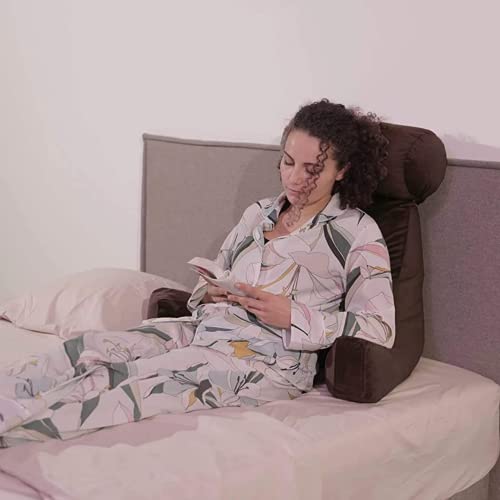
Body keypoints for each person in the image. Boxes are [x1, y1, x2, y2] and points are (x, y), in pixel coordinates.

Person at [0, 99, 395, 447]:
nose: (294, 178)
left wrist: (292, 314)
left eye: (312, 170)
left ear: (342, 170)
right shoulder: (258, 213)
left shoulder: (358, 233)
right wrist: (211, 292)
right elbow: (210, 283)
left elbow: (380, 328)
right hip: (203, 328)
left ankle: (12, 433)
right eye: (288, 162)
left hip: (267, 360)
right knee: (87, 349)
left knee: (124, 384)